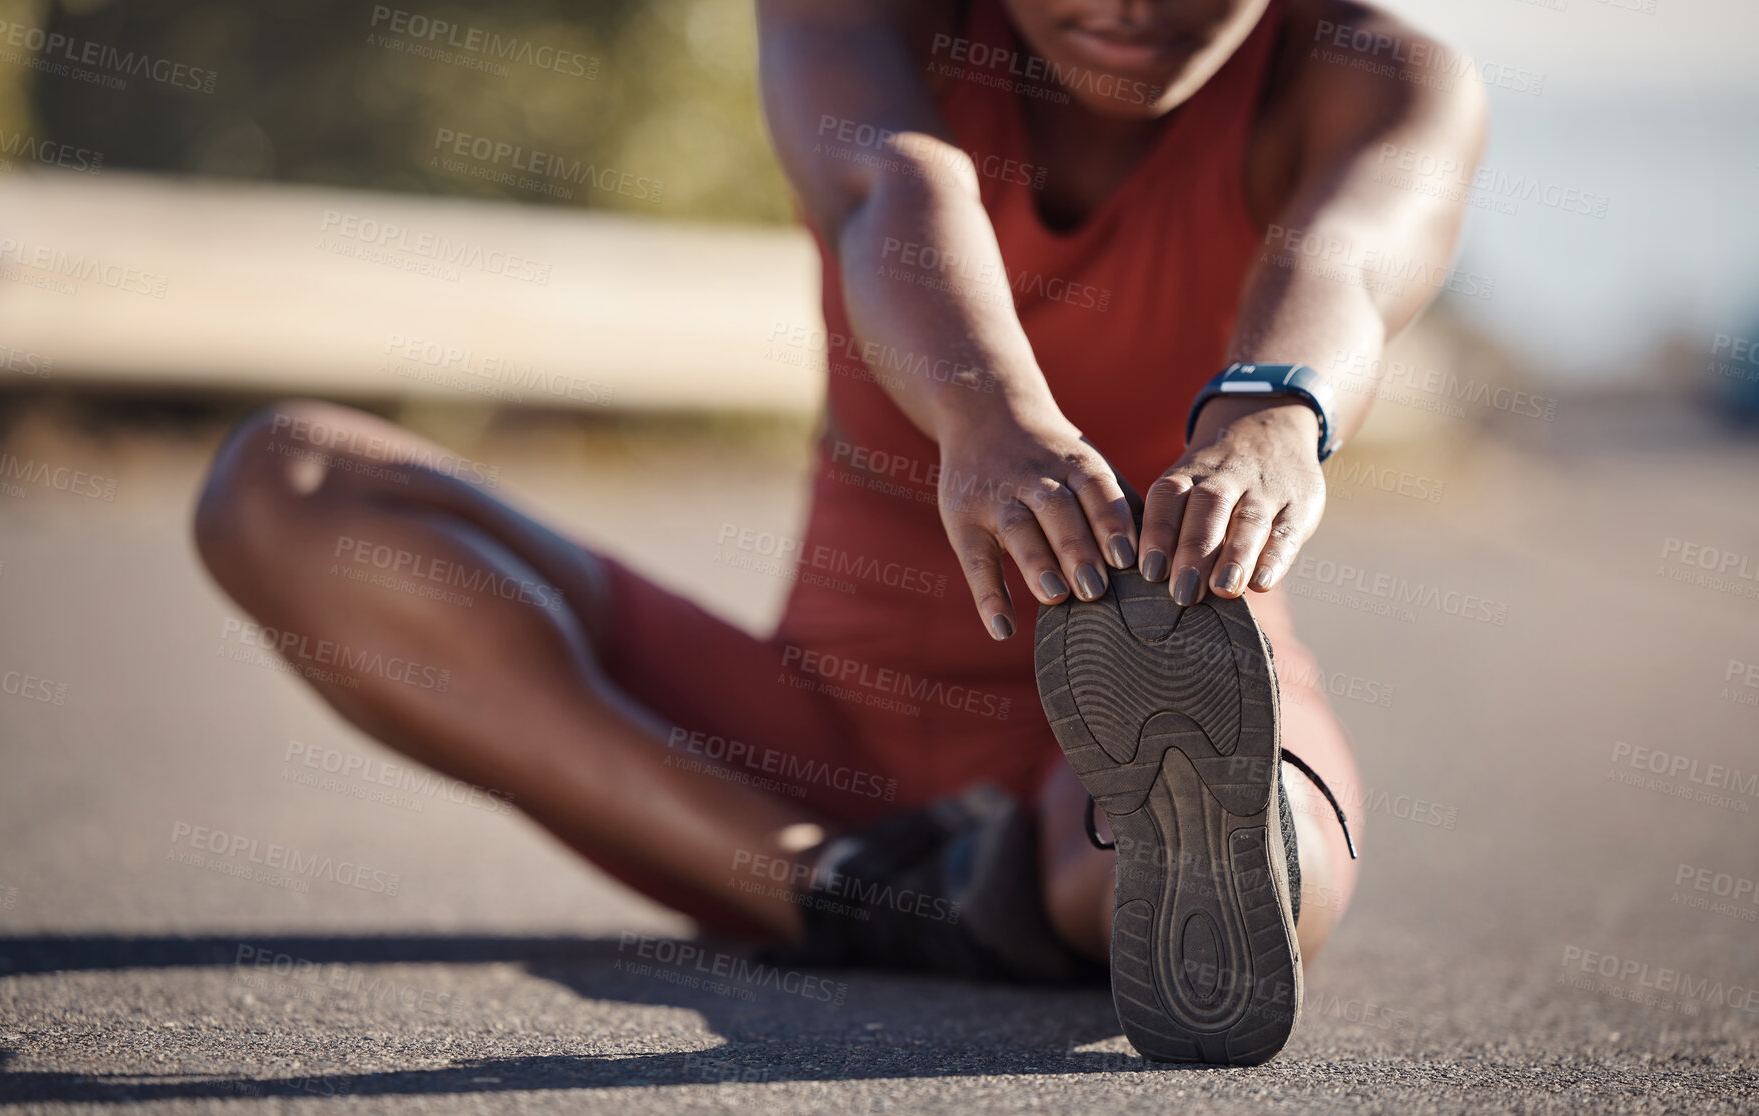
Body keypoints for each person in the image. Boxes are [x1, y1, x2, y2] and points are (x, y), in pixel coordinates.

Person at [193, 0, 1484, 1065]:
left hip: (1152, 725)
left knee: (1267, 874)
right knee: (285, 485)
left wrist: (1272, 411)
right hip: (802, 744)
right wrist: (990, 419)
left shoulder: (1381, 79)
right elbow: (886, 183)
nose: (1133, 9)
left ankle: (1022, 884)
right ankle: (859, 892)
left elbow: (1346, 259)